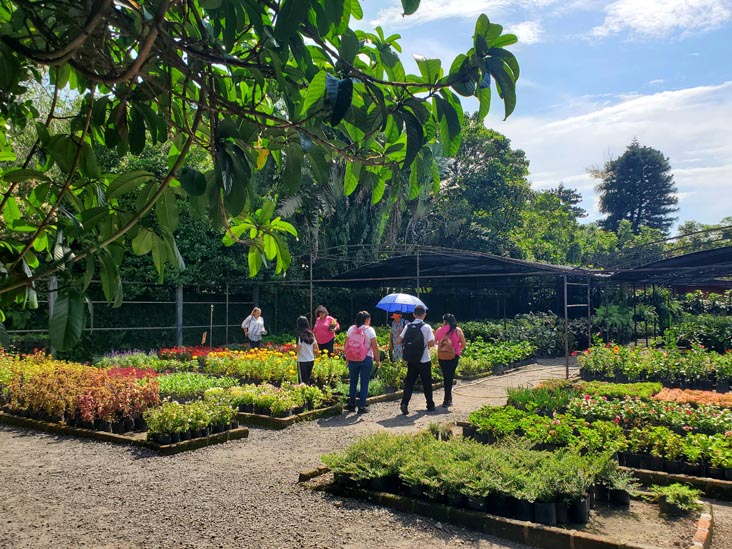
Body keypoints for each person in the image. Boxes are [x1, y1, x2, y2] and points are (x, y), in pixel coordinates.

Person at [397, 305, 436, 415]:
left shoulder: (408, 326)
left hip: (412, 359)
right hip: (424, 359)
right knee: (427, 383)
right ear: (424, 314)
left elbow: (399, 341)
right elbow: (432, 343)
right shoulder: (427, 327)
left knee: (409, 382)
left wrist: (401, 333)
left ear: (414, 314)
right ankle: (430, 405)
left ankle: (404, 403)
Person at [344, 310, 380, 414]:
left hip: (352, 358)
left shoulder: (351, 329)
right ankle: (361, 407)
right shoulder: (370, 330)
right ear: (367, 320)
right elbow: (375, 347)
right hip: (366, 358)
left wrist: (348, 358)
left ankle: (351, 404)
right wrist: (378, 361)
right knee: (364, 382)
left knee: (353, 382)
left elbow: (346, 344)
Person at [434, 313, 467, 408]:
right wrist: (457, 348)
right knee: (450, 376)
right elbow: (464, 344)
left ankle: (448, 398)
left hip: (442, 356)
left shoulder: (439, 330)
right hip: (454, 356)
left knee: (445, 376)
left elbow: (435, 342)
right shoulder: (458, 330)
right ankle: (447, 399)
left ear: (444, 321)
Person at [295, 316, 319, 385]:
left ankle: (302, 394)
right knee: (307, 379)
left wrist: (293, 347)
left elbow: (298, 349)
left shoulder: (300, 335)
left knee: (302, 381)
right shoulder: (311, 334)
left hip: (302, 360)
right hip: (311, 360)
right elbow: (316, 348)